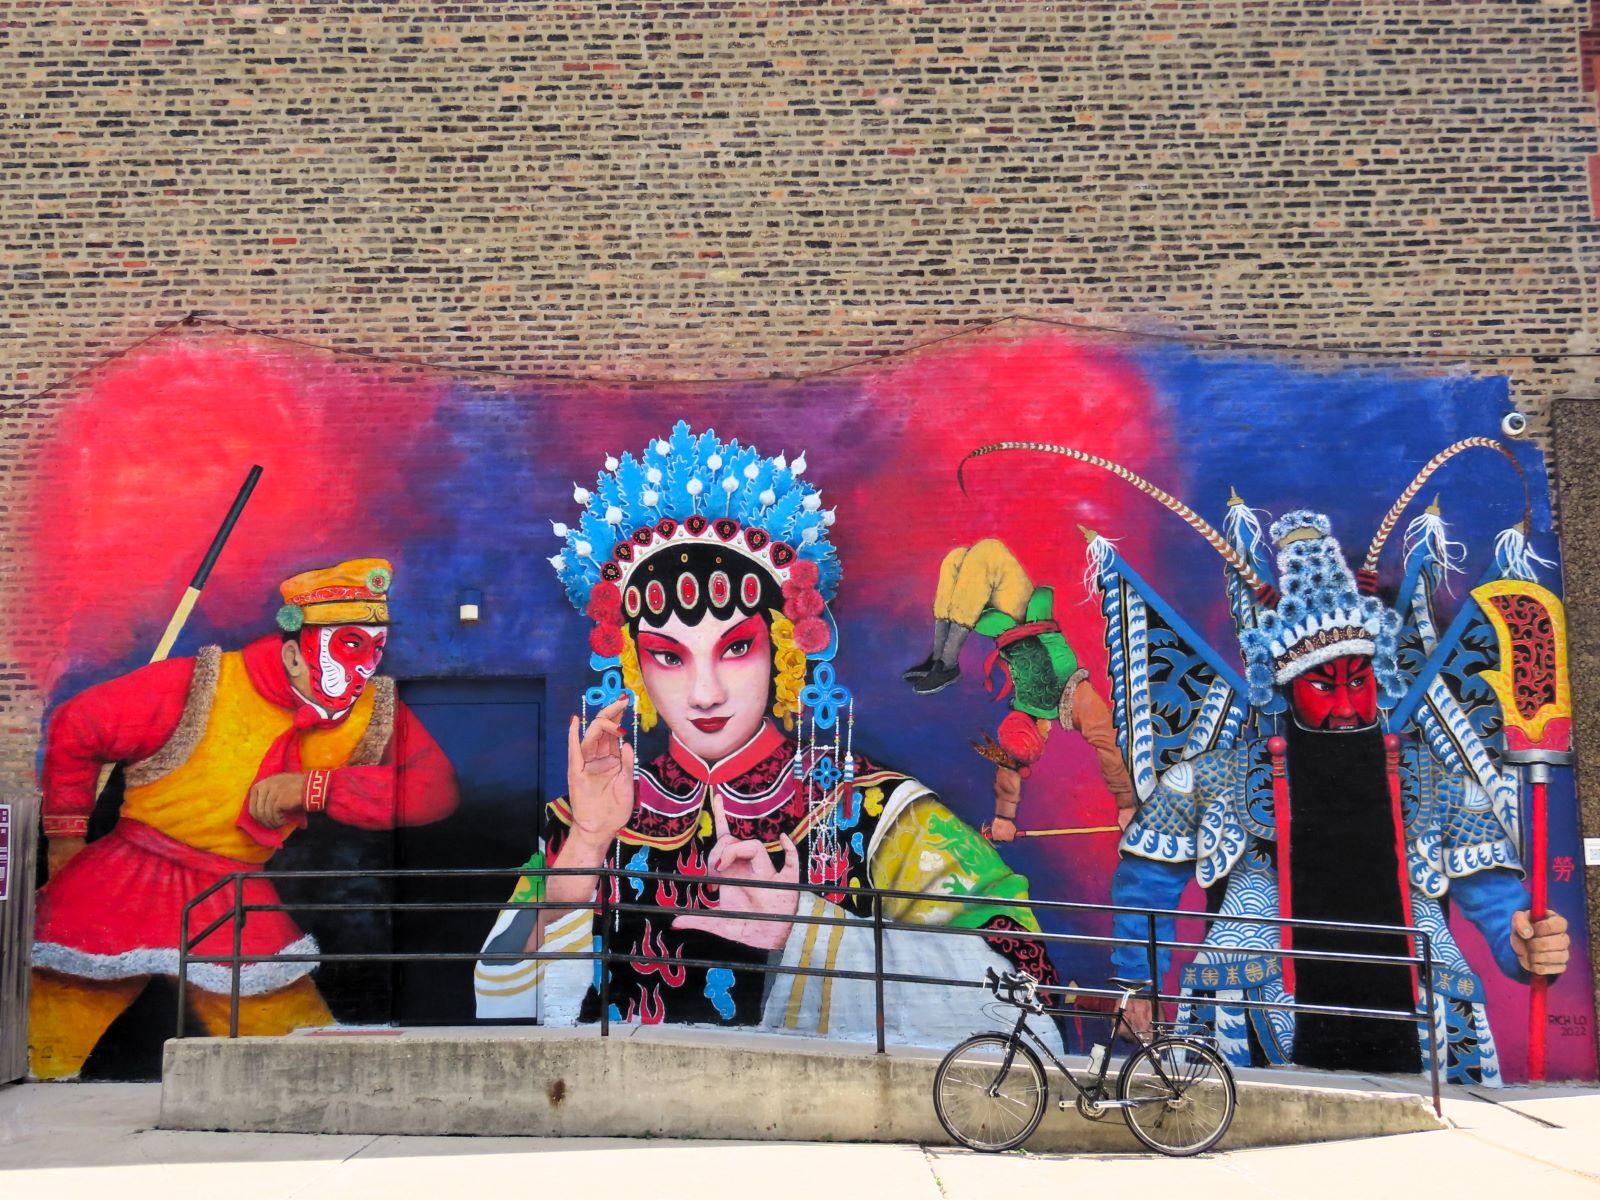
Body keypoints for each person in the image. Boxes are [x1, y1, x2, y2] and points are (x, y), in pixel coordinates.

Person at [476, 428, 1063, 1048]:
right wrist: (589, 843)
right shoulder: (583, 818)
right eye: (669, 658)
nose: (705, 694)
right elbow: (497, 999)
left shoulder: (877, 811)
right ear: (635, 668)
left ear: (782, 651)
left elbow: (1025, 995)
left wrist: (802, 927)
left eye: (734, 650)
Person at [1108, 513, 1570, 1082]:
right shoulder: (1213, 777)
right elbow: (1145, 884)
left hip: (1424, 1021)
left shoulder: (1438, 783)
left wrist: (1525, 946)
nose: (1349, 704)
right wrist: (1137, 983)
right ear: (1285, 685)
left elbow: (1496, 901)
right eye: (1324, 686)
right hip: (1253, 1014)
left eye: (1361, 680)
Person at [29, 558, 459, 1079]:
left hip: (232, 896)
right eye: (349, 644)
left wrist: (315, 787)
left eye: (376, 647)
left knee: (297, 1051)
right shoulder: (199, 684)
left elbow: (434, 789)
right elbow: (80, 725)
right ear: (293, 649)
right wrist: (65, 840)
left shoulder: (374, 710)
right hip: (128, 877)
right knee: (49, 1033)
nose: (365, 666)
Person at [905, 538, 1134, 840]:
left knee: (961, 560)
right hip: (1024, 613)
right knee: (972, 557)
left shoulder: (1025, 709)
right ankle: (941, 661)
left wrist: (1003, 817)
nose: (1046, 730)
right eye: (1041, 731)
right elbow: (1107, 743)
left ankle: (943, 661)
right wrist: (1126, 803)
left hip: (1004, 624)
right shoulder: (1076, 696)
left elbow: (1009, 767)